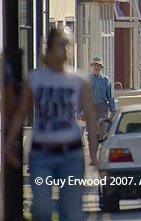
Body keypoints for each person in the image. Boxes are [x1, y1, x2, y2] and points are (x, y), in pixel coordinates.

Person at [6, 28, 98, 221]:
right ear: (49, 49)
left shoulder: (79, 80)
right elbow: (20, 114)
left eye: (69, 46)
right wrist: (8, 146)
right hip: (41, 154)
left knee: (71, 213)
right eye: (62, 45)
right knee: (41, 208)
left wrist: (94, 153)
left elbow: (90, 115)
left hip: (71, 154)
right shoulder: (35, 78)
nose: (67, 50)